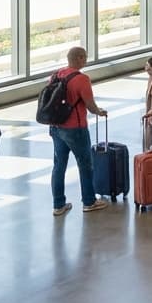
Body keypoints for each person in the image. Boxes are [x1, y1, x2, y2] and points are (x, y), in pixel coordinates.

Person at [49, 46, 110, 216]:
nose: (86, 60)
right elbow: (90, 106)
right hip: (76, 129)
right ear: (79, 58)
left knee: (59, 166)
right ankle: (89, 201)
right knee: (85, 165)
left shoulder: (56, 74)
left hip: (56, 127)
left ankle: (58, 204)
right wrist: (100, 111)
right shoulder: (82, 79)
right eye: (84, 57)